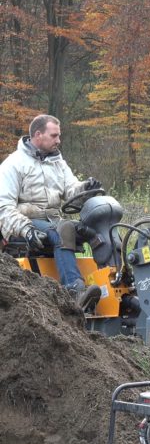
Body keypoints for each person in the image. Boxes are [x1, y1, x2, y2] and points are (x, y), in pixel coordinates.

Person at [0, 114, 102, 309]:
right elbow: (3, 208)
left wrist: (85, 188)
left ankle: (114, 283)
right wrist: (26, 229)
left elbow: (71, 190)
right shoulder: (13, 165)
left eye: (58, 136)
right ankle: (74, 290)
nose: (58, 140)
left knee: (96, 229)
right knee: (62, 230)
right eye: (54, 136)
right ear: (38, 135)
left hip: (54, 222)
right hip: (26, 223)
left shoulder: (57, 162)